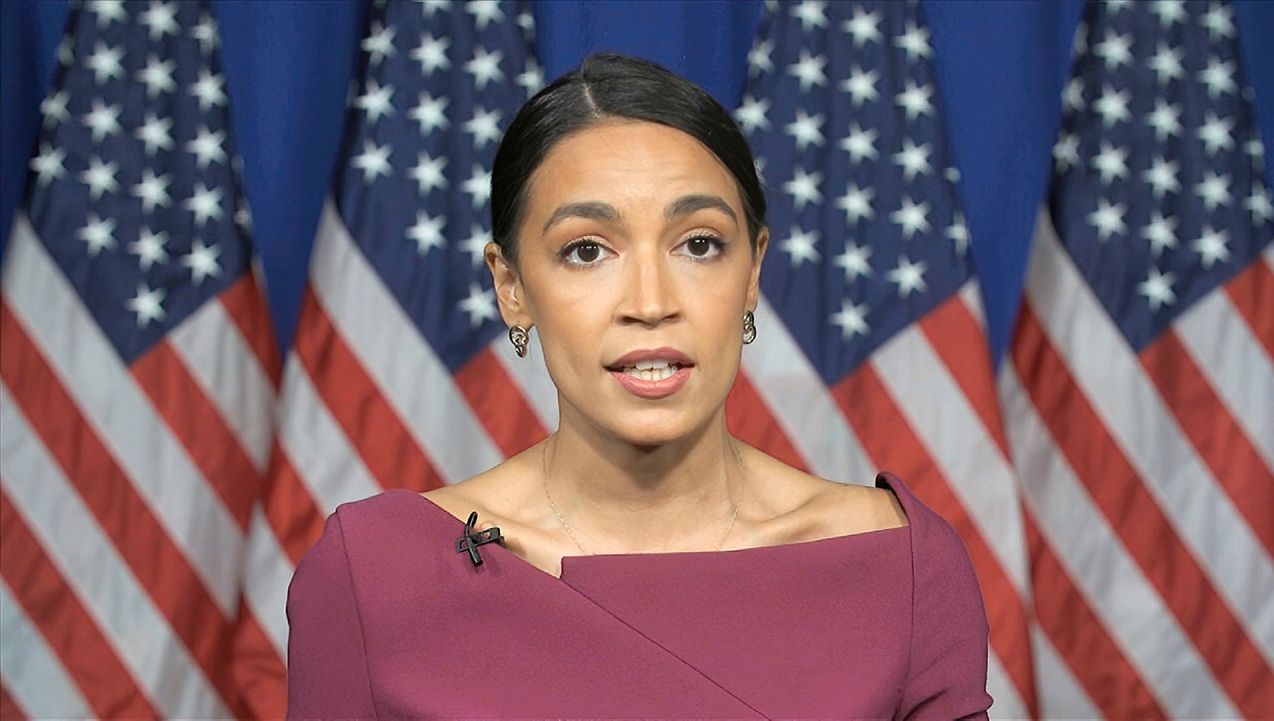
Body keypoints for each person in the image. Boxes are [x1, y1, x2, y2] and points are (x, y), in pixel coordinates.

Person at [286, 52, 992, 719]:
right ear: (511, 286)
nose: (650, 300)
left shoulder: (901, 568)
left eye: (700, 243)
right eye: (587, 250)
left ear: (751, 272)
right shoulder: (375, 577)